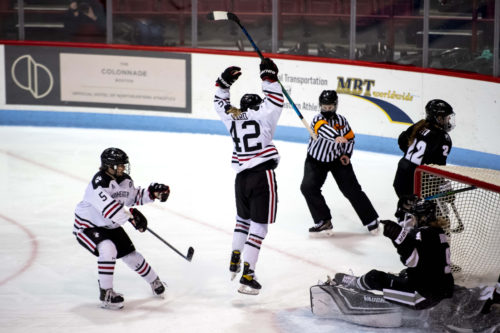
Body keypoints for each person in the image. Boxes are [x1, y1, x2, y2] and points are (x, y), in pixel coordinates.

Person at [213, 58, 283, 295]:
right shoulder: (263, 115)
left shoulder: (233, 117)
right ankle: (248, 274)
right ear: (257, 105)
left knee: (243, 221)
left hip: (241, 179)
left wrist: (224, 83)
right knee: (259, 227)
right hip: (262, 176)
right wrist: (268, 76)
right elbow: (275, 99)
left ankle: (235, 258)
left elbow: (219, 102)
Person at [73, 147, 171, 309]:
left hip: (110, 225)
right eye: (119, 165)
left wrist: (152, 193)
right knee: (108, 248)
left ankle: (154, 281)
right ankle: (106, 293)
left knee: (131, 255)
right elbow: (111, 210)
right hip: (87, 225)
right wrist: (133, 219)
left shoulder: (124, 180)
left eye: (123, 165)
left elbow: (133, 197)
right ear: (108, 166)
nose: (122, 168)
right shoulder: (99, 183)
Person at [335, 198, 455, 310]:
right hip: (443, 289)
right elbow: (423, 256)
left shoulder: (422, 234)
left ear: (422, 218)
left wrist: (398, 237)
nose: (412, 220)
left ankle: (354, 285)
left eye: (414, 217)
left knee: (375, 278)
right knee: (405, 274)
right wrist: (399, 234)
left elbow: (411, 259)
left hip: (421, 297)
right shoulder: (438, 232)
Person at [300, 90, 379, 235]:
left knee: (352, 189)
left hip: (337, 159)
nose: (327, 110)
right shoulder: (317, 120)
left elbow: (350, 138)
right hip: (316, 160)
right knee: (308, 188)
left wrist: (347, 154)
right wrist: (336, 136)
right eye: (324, 107)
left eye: (330, 107)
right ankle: (323, 221)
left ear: (335, 106)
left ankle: (371, 220)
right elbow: (324, 130)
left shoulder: (342, 121)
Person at [393, 99, 455, 220]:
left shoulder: (419, 125)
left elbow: (401, 142)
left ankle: (404, 222)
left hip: (400, 177)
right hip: (415, 181)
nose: (449, 121)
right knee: (428, 213)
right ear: (439, 118)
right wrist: (443, 186)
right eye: (447, 118)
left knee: (408, 209)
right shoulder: (443, 137)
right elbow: (438, 168)